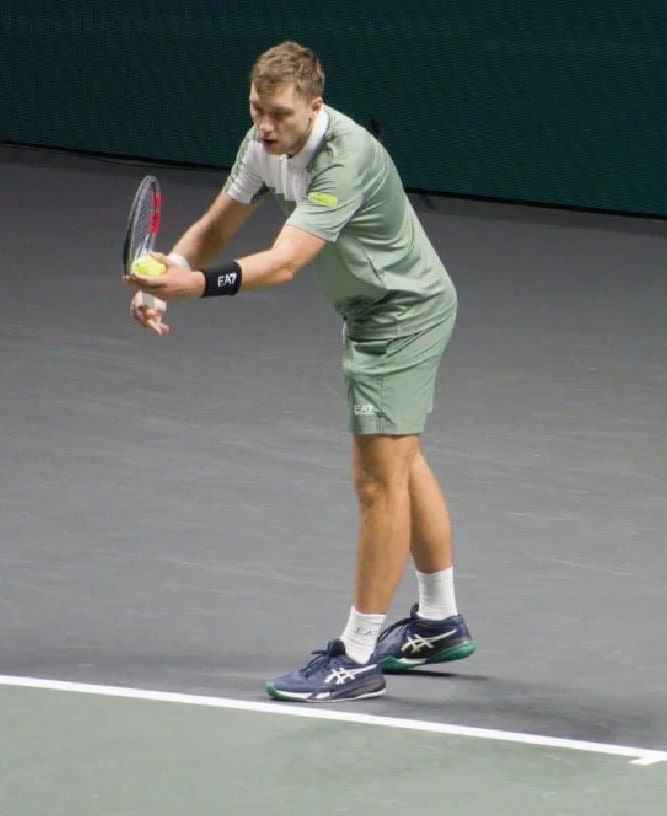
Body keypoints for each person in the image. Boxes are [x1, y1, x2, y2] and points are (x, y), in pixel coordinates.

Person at [124, 41, 475, 702]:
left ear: (315, 107)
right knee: (400, 463)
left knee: (376, 479)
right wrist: (167, 272)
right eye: (257, 110)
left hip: (402, 313)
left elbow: (285, 264)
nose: (265, 126)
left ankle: (357, 655)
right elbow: (215, 227)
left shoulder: (346, 157)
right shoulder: (263, 144)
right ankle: (437, 620)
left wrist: (195, 286)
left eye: (280, 114)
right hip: (371, 309)